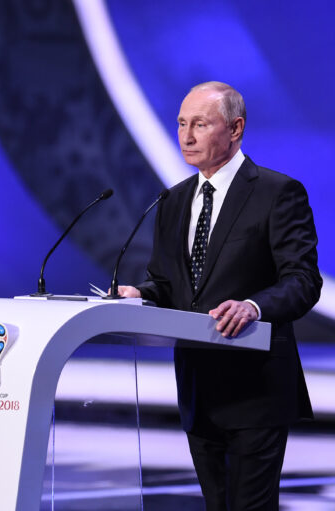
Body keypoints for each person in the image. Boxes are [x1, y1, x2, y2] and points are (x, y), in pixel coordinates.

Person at [118, 81, 321, 510]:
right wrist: (143, 293)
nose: (186, 136)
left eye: (200, 124)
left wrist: (253, 306)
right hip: (198, 389)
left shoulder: (277, 193)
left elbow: (303, 281)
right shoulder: (172, 201)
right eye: (181, 124)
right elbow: (169, 282)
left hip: (256, 389)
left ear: (235, 128)